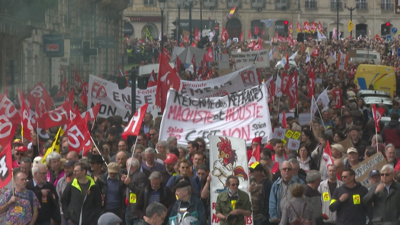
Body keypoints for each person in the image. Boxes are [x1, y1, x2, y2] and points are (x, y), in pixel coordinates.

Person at [122, 157, 149, 225]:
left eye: (126, 166)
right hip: (129, 208)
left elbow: (142, 192)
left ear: (130, 166)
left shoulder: (141, 176)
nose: (126, 168)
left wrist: (129, 184)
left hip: (136, 210)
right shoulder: (130, 176)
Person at [56, 160, 75, 225]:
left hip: (76, 213)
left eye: (68, 168)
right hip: (63, 213)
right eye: (65, 168)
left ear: (74, 168)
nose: (66, 170)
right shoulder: (61, 182)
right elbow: (58, 198)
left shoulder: (78, 181)